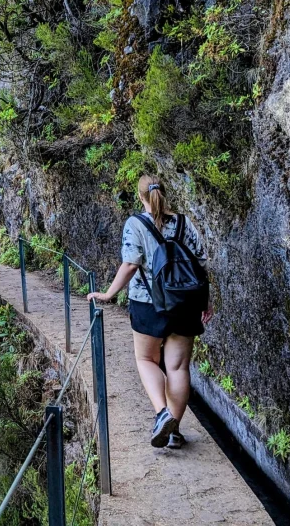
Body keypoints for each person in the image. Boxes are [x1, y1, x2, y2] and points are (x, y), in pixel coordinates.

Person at [87, 175, 213, 449]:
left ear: (141, 196)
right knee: (178, 366)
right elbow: (201, 263)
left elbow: (131, 265)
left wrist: (108, 294)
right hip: (186, 303)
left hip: (148, 304)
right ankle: (175, 432)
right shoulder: (183, 222)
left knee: (146, 359)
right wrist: (206, 302)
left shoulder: (136, 224)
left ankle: (162, 414)